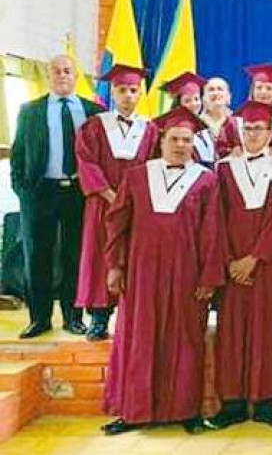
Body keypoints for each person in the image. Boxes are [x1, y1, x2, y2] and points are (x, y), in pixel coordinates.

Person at [101, 106, 224, 436]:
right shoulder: (138, 176)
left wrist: (209, 278)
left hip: (186, 274)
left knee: (186, 341)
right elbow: (117, 223)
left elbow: (213, 231)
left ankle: (186, 411)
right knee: (138, 339)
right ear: (162, 141)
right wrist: (115, 266)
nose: (181, 145)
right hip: (142, 273)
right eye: (175, 139)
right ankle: (133, 411)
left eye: (187, 139)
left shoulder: (206, 180)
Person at [207, 101, 272, 430]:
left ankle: (264, 402)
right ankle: (230, 403)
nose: (252, 134)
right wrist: (231, 261)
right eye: (247, 129)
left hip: (269, 265)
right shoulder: (224, 168)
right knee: (230, 333)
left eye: (259, 129)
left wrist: (255, 257)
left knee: (268, 331)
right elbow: (217, 217)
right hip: (233, 267)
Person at [11, 54, 105, 339]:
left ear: (76, 76)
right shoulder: (31, 110)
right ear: (48, 76)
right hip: (40, 193)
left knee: (74, 255)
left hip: (78, 193)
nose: (62, 75)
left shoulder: (92, 111)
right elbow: (18, 153)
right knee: (37, 255)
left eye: (67, 71)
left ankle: (73, 317)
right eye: (56, 71)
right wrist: (23, 189)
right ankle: (39, 318)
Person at [75, 64, 158, 342]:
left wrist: (136, 199)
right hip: (103, 204)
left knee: (134, 258)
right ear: (113, 92)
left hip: (138, 207)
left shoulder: (151, 130)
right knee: (101, 257)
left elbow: (154, 165)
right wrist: (110, 195)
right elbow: (87, 162)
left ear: (140, 93)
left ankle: (131, 319)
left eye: (133, 90)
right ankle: (99, 318)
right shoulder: (96, 126)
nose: (127, 95)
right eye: (122, 90)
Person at [217, 64, 272, 158]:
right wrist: (232, 152)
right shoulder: (234, 122)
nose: (263, 92)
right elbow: (221, 150)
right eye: (259, 88)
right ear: (253, 91)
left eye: (269, 88)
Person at [194, 77, 232, 166]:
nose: (216, 93)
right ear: (203, 98)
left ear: (228, 97)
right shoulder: (196, 125)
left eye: (220, 89)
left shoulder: (238, 123)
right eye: (211, 90)